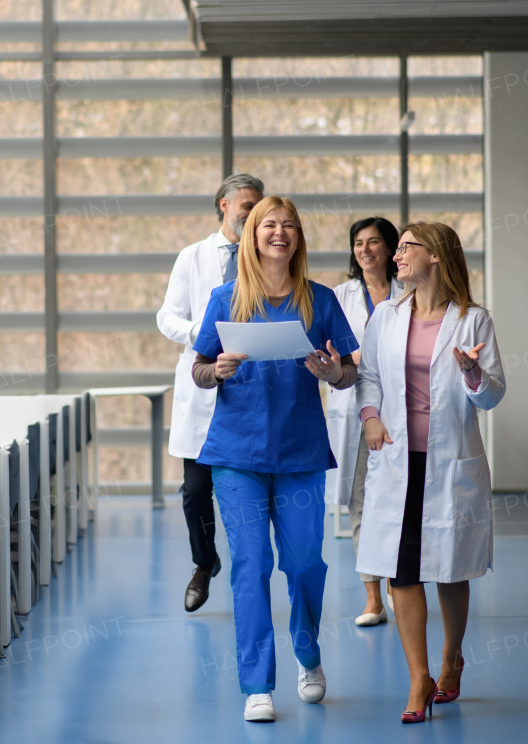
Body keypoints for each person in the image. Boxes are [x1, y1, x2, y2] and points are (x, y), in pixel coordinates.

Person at [190, 196, 358, 723]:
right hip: (236, 454)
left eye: (288, 225)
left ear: (298, 238)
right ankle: (257, 684)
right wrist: (215, 371)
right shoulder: (226, 299)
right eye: (268, 224)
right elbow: (198, 368)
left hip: (300, 451)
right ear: (251, 235)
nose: (278, 232)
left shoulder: (321, 301)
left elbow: (349, 370)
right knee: (252, 564)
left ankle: (307, 650)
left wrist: (331, 373)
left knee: (305, 560)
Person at [355, 221, 505, 723]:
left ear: (436, 256)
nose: (395, 257)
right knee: (402, 567)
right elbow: (369, 376)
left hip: (450, 459)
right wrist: (370, 416)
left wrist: (470, 371)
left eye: (405, 248)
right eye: (395, 249)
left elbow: (492, 394)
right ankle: (419, 676)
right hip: (397, 457)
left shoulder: (473, 320)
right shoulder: (386, 316)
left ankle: (450, 657)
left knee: (450, 567)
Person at [156, 173, 265, 613]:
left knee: (247, 491)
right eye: (246, 206)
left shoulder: (265, 257)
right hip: (205, 381)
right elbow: (167, 317)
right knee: (196, 490)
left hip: (254, 389)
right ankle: (205, 562)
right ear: (224, 204)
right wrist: (204, 335)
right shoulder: (193, 257)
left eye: (259, 207)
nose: (253, 215)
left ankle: (249, 574)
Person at [326, 216, 403, 627]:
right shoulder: (340, 296)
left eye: (374, 242)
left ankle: (397, 587)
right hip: (354, 411)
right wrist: (355, 359)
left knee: (396, 501)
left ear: (391, 249)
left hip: (399, 410)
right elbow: (331, 355)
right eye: (358, 242)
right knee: (361, 504)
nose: (365, 250)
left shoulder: (408, 294)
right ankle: (372, 597)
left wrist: (361, 357)